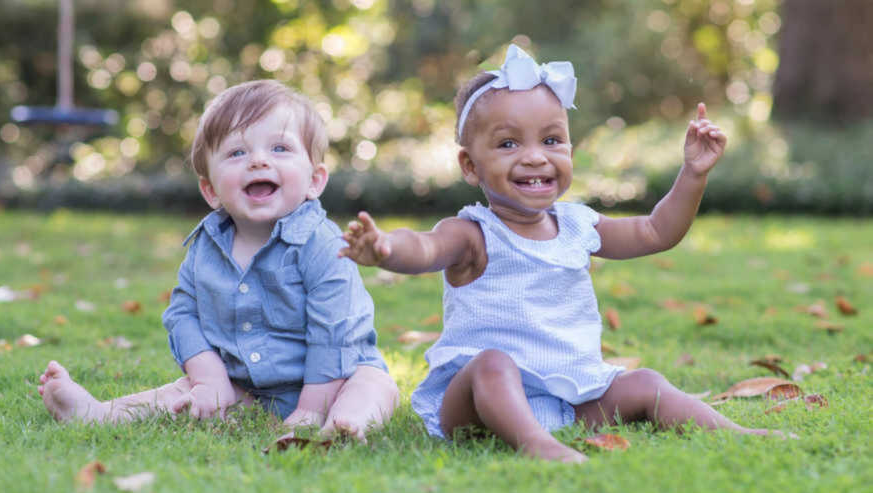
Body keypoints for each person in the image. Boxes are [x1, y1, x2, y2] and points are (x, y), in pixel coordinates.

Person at [339, 45, 789, 462]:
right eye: (509, 144)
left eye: (551, 140)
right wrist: (384, 248)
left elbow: (655, 231)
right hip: (476, 406)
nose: (536, 157)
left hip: (568, 399)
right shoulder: (473, 233)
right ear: (470, 166)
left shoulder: (577, 225)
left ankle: (733, 432)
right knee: (493, 363)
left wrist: (693, 174)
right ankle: (538, 445)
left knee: (645, 383)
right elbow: (424, 247)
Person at [39, 79, 399, 442]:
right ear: (211, 190)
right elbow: (183, 313)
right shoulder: (205, 249)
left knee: (374, 385)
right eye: (237, 153)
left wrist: (310, 408)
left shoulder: (324, 245)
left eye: (279, 148)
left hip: (335, 381)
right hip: (245, 388)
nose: (259, 160)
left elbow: (335, 332)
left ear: (314, 180)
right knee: (183, 392)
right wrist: (210, 379)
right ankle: (98, 413)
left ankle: (343, 426)